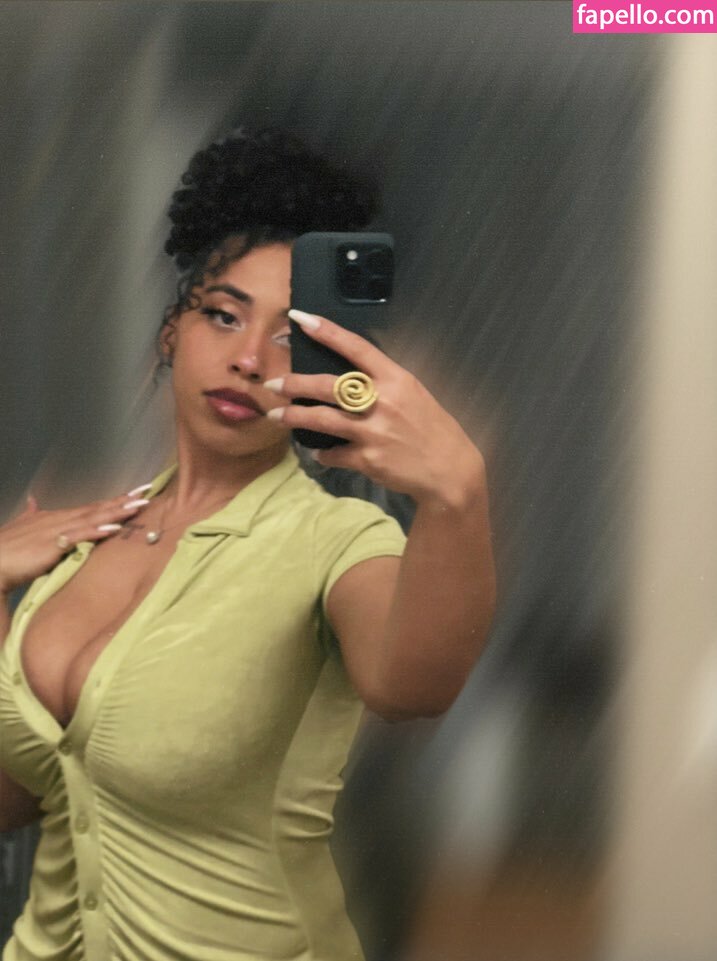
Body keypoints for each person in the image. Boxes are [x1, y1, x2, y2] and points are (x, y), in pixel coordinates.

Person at [0, 128, 495, 961]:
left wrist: (457, 493)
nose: (249, 360)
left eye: (289, 336)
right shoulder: (81, 542)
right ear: (171, 330)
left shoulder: (336, 541)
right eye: (222, 316)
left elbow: (412, 685)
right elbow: (15, 801)